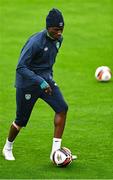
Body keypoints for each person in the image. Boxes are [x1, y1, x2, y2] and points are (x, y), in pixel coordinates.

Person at [3, 8, 77, 161]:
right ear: (48, 27)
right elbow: (21, 67)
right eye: (56, 29)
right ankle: (7, 147)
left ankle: (55, 153)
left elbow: (47, 63)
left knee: (62, 108)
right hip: (28, 84)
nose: (59, 33)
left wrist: (47, 79)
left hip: (46, 82)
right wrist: (40, 81)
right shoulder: (35, 42)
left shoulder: (59, 40)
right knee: (21, 120)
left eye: (62, 29)